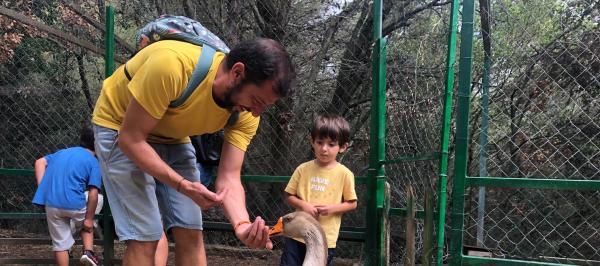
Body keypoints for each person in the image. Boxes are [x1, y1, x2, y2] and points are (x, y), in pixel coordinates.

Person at [91, 37, 295, 265]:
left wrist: (242, 225)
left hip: (173, 135)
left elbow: (229, 176)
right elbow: (130, 139)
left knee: (190, 231)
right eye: (256, 100)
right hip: (120, 126)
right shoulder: (172, 64)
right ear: (237, 73)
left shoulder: (246, 113)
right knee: (145, 236)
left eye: (264, 106)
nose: (256, 113)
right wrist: (182, 185)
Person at [281, 114, 358, 266]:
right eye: (319, 142)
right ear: (312, 142)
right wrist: (304, 206)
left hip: (325, 239)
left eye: (331, 144)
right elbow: (288, 195)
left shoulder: (345, 174)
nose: (324, 149)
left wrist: (332, 208)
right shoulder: (302, 169)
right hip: (297, 236)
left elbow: (352, 203)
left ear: (343, 147)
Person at [32, 125, 102, 266]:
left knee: (60, 244)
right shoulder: (94, 162)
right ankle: (88, 252)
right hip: (74, 203)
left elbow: (39, 162)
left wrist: (43, 189)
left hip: (52, 203)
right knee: (86, 224)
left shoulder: (62, 152)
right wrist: (89, 219)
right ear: (98, 144)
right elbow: (94, 194)